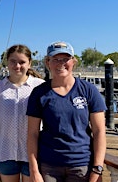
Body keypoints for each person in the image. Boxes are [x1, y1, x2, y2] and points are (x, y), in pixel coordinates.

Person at [26, 41, 107, 182]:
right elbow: (32, 134)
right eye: (55, 59)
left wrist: (97, 168)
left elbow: (99, 131)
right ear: (47, 62)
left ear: (73, 62)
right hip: (49, 166)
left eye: (65, 59)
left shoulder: (89, 90)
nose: (60, 63)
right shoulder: (39, 93)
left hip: (82, 165)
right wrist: (34, 170)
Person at [0, 44, 45, 182]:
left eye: (22, 62)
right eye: (13, 61)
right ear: (7, 62)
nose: (17, 66)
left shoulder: (40, 87)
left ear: (29, 63)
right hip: (5, 151)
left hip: (32, 153)